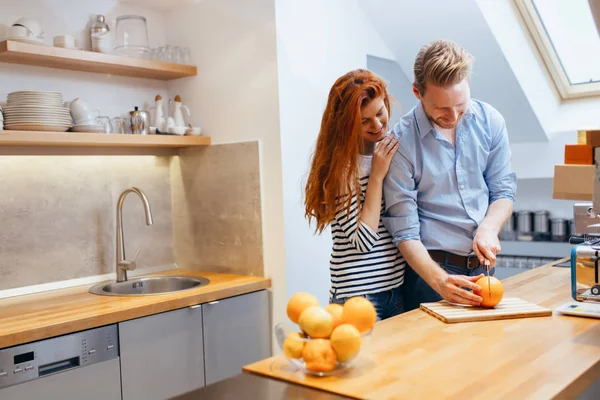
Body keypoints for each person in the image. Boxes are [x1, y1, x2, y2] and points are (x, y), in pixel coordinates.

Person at [382, 40, 517, 310]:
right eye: (441, 108)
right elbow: (405, 232)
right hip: (429, 276)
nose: (453, 115)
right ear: (417, 92)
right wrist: (440, 280)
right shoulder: (401, 143)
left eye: (461, 104)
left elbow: (502, 192)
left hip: (483, 269)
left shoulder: (490, 121)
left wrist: (489, 228)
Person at [304, 69, 407, 320]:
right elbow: (362, 241)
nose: (378, 125)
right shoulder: (342, 169)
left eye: (380, 112)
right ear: (346, 125)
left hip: (396, 288)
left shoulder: (388, 148)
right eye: (365, 121)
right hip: (358, 295)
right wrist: (377, 176)